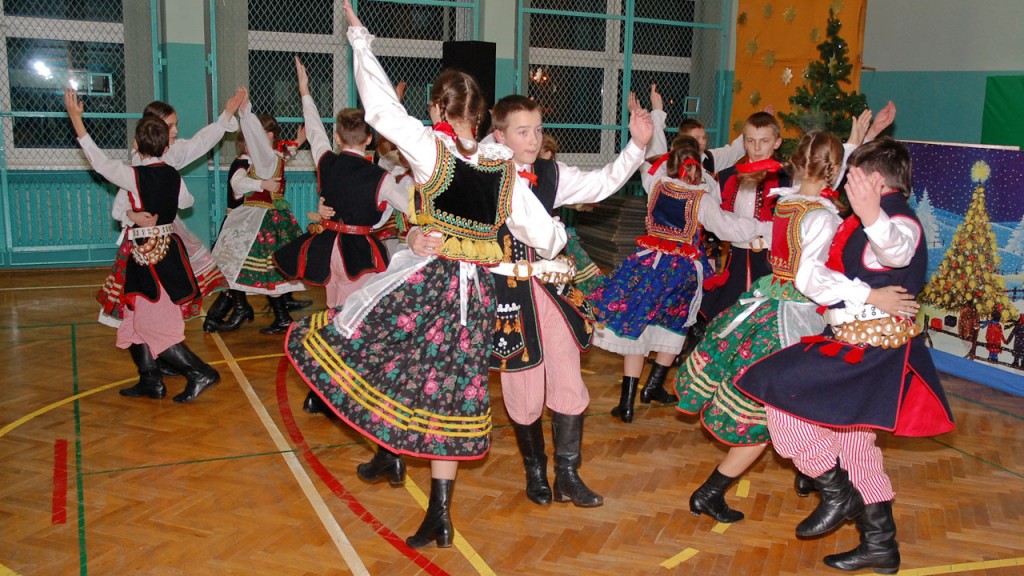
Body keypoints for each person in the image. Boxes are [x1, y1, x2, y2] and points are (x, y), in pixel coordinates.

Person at [285, 0, 566, 549]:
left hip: (429, 284)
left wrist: (360, 37)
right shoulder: (501, 166)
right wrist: (554, 242)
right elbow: (541, 231)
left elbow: (381, 109)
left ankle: (404, 472)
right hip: (476, 295)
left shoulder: (432, 148)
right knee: (450, 394)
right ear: (481, 117)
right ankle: (437, 508)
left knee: (384, 359)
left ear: (438, 106)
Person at [736, 139, 956, 574]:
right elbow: (817, 276)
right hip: (853, 341)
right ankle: (880, 545)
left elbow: (896, 248)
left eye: (854, 175)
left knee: (781, 393)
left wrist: (872, 214)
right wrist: (867, 287)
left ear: (873, 180)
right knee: (855, 444)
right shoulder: (858, 219)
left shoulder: (897, 220)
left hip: (870, 349)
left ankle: (838, 492)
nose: (844, 182)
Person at [674, 130, 873, 523]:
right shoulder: (823, 217)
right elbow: (811, 277)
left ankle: (810, 474)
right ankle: (710, 492)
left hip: (768, 299)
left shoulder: (787, 202)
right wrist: (862, 293)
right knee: (771, 413)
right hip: (794, 314)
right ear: (834, 171)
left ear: (798, 162)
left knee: (800, 403)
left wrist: (850, 142)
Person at [481, 94, 651, 507]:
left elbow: (602, 182)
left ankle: (568, 476)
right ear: (499, 135)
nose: (533, 139)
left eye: (538, 130)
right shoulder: (481, 174)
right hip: (509, 300)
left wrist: (637, 145)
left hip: (552, 294)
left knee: (569, 380)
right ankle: (535, 470)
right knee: (523, 389)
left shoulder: (550, 173)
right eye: (523, 131)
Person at [591, 86, 772, 424]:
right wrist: (765, 227)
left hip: (646, 264)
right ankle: (653, 385)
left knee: (637, 328)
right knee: (674, 326)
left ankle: (627, 402)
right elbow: (730, 228)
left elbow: (654, 152)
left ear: (671, 161)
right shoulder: (702, 197)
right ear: (698, 165)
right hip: (682, 271)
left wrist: (657, 117)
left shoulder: (656, 182)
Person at [274, 56, 412, 414]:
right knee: (356, 320)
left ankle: (324, 389)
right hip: (358, 254)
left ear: (338, 137)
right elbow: (409, 208)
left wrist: (305, 91)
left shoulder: (327, 161)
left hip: (329, 250)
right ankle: (336, 391)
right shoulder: (381, 178)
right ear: (369, 138)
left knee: (337, 314)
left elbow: (314, 131)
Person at [65, 89, 220, 403]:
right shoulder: (173, 176)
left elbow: (99, 161)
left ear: (136, 145)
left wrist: (76, 120)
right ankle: (150, 379)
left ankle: (199, 371)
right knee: (133, 315)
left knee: (151, 320)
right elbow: (186, 202)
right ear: (166, 147)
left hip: (148, 257)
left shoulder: (133, 176)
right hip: (166, 249)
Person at [97, 92, 246, 336]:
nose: (175, 131)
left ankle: (163, 333)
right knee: (149, 287)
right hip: (146, 237)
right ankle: (153, 335)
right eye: (170, 126)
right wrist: (131, 215)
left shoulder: (170, 153)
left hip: (166, 229)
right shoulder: (140, 163)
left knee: (170, 284)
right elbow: (122, 202)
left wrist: (227, 114)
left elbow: (199, 143)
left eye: (176, 124)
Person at [210, 95, 308, 335]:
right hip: (257, 220)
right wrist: (297, 142)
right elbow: (238, 183)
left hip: (262, 221)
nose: (255, 141)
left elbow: (278, 156)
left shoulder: (268, 158)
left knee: (253, 265)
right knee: (249, 265)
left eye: (260, 136)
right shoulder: (257, 159)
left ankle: (246, 310)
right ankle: (245, 310)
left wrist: (247, 113)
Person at [537, 134, 606, 296]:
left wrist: (582, 203)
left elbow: (563, 197)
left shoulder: (551, 174)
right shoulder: (530, 173)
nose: (550, 161)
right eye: (548, 156)